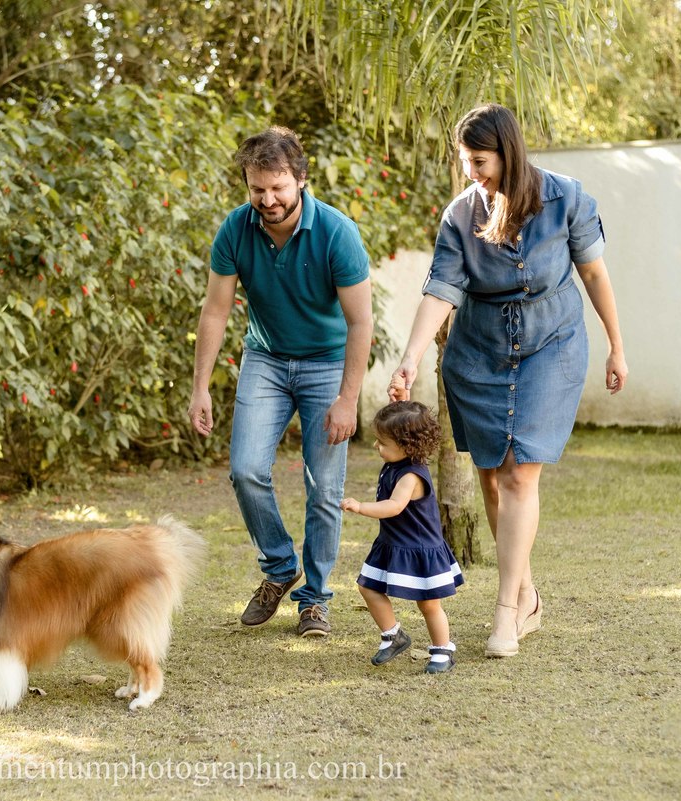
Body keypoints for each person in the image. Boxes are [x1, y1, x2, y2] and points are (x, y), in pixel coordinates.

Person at [388, 103, 628, 657]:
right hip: (478, 352)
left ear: (508, 151)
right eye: (466, 161)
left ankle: (505, 612)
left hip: (552, 345)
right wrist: (409, 358)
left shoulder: (568, 198)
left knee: (522, 473)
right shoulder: (460, 214)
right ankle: (527, 593)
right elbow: (440, 291)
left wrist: (618, 346)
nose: (472, 172)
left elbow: (593, 272)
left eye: (480, 160)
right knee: (493, 475)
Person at [187, 126, 373, 638]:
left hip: (326, 363)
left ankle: (314, 599)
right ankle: (279, 567)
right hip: (265, 360)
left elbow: (362, 323)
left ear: (301, 180)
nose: (267, 200)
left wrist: (347, 399)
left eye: (278, 188)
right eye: (257, 189)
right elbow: (216, 312)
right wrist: (200, 386)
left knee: (324, 487)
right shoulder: (235, 229)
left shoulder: (337, 233)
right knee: (245, 469)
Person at [342, 401, 463, 674]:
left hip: (419, 548)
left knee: (429, 603)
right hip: (392, 543)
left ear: (408, 447)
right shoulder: (395, 463)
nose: (376, 446)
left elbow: (394, 506)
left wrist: (360, 507)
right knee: (368, 587)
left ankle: (443, 649)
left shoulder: (411, 476)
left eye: (382, 443)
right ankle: (393, 635)